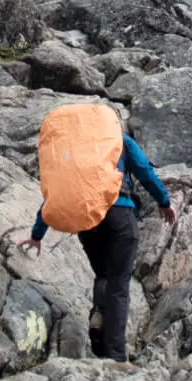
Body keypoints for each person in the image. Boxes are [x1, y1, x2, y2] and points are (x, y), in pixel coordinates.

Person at [19, 136, 176, 362]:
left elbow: (58, 191)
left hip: (86, 218)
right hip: (119, 214)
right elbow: (144, 172)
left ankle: (100, 324)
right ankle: (117, 357)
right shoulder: (118, 138)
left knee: (103, 274)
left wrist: (37, 234)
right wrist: (164, 201)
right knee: (119, 284)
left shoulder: (74, 147)